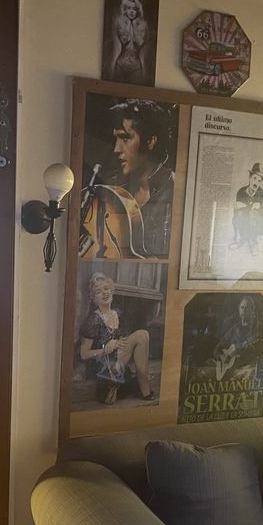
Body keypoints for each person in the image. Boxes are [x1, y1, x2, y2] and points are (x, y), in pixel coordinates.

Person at [97, 99, 175, 258]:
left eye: (125, 139)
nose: (116, 149)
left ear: (150, 141)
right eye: (115, 139)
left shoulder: (176, 189)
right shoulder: (110, 189)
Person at [78, 272, 154, 404]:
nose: (104, 293)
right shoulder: (93, 320)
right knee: (142, 334)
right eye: (98, 291)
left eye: (106, 288)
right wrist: (105, 349)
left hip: (118, 359)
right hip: (102, 365)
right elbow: (84, 354)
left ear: (111, 290)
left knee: (143, 335)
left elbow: (123, 340)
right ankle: (143, 388)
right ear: (93, 298)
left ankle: (143, 386)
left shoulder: (116, 313)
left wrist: (117, 342)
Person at [210, 296, 262, 381]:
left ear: (252, 310)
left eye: (247, 308)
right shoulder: (235, 328)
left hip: (246, 368)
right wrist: (221, 357)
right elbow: (219, 346)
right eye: (242, 307)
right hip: (229, 368)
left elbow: (258, 350)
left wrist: (237, 347)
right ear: (239, 310)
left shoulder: (256, 328)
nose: (244, 310)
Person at [111, 0, 149, 84]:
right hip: (121, 65)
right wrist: (128, 24)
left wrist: (135, 25)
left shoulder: (143, 25)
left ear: (138, 11)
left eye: (134, 9)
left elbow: (139, 43)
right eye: (129, 8)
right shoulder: (120, 23)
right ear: (125, 10)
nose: (131, 11)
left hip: (135, 66)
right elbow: (124, 40)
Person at [234, 163, 263, 255]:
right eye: (254, 178)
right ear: (250, 177)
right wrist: (251, 205)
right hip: (244, 218)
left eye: (259, 180)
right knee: (238, 214)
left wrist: (248, 206)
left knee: (253, 213)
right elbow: (237, 206)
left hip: (257, 221)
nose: (256, 182)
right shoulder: (241, 191)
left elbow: (261, 208)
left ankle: (253, 243)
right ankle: (239, 239)